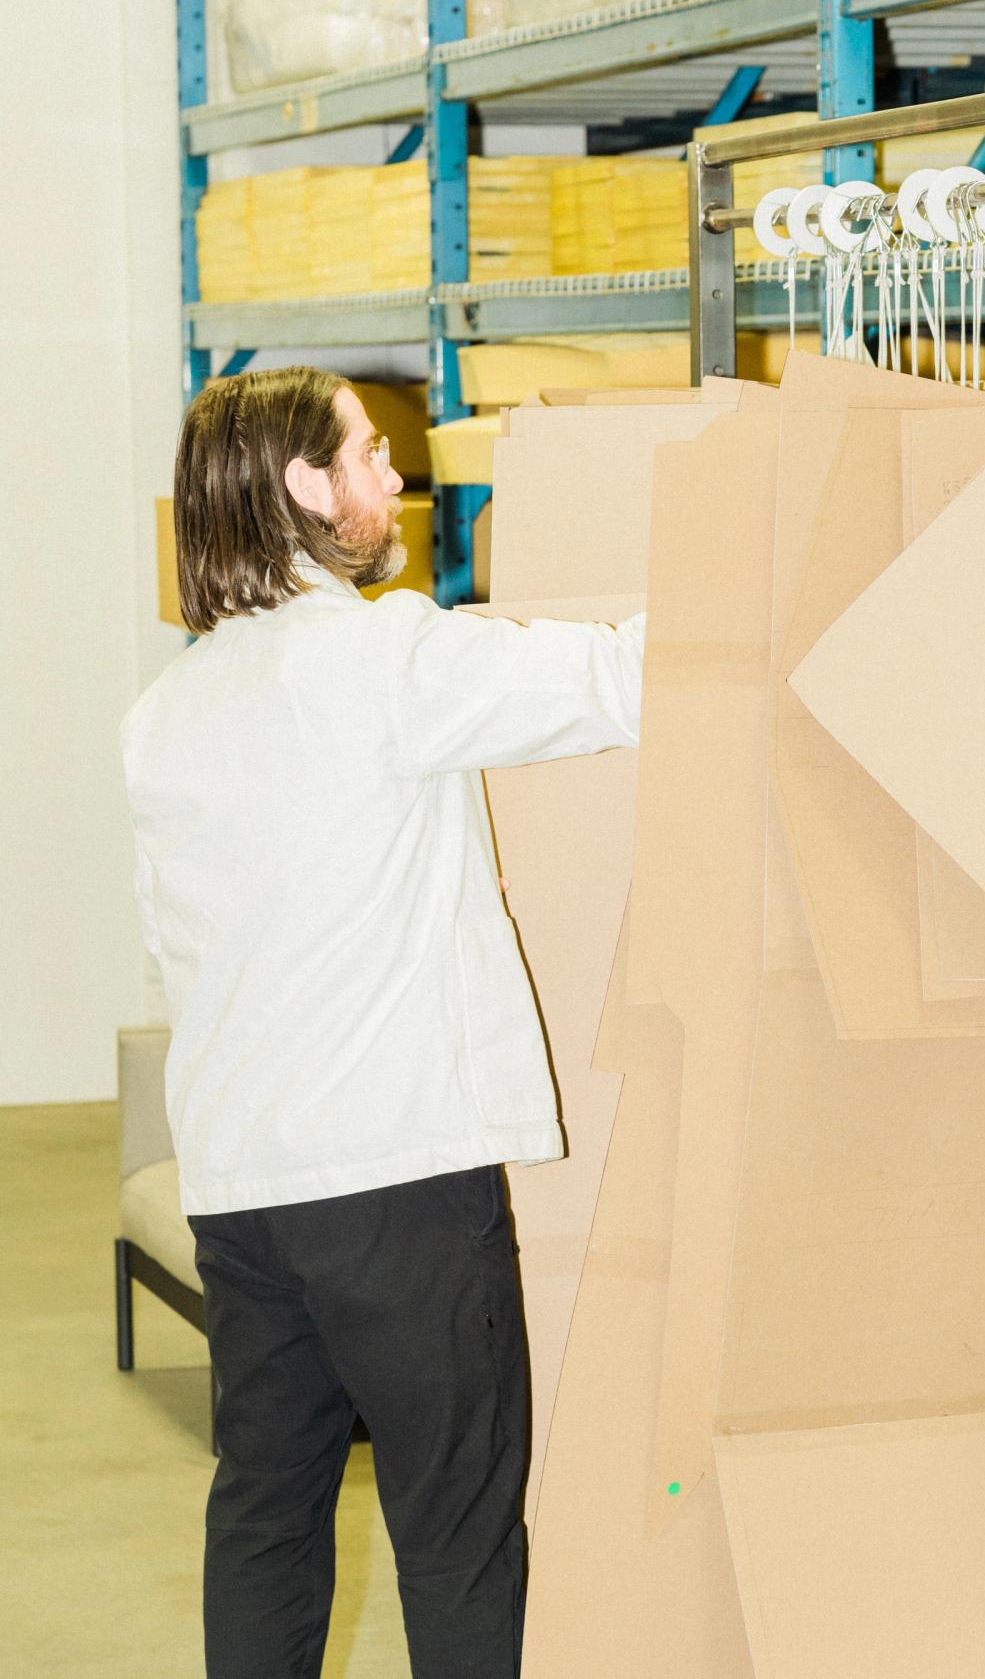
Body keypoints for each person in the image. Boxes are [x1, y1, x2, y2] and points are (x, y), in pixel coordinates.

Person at [120, 365, 645, 1679]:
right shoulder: (381, 657)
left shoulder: (165, 713)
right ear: (307, 486)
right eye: (367, 454)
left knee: (265, 1515)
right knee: (456, 1533)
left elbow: (170, 943)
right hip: (396, 1185)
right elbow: (615, 678)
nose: (393, 475)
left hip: (241, 1188)